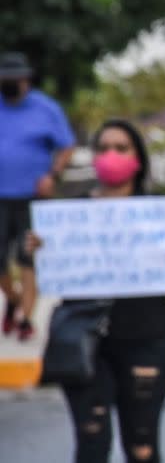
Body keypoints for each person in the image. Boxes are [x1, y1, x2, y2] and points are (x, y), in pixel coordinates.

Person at [26, 119, 165, 463]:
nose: (110, 156)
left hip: (146, 341)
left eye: (121, 148)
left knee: (142, 447)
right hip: (85, 346)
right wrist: (39, 251)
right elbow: (43, 268)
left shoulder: (160, 215)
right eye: (103, 148)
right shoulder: (69, 215)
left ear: (138, 158)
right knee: (91, 445)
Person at [0, 52, 76, 341]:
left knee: (28, 257)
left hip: (32, 198)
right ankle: (15, 299)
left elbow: (66, 146)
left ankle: (26, 319)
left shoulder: (45, 109)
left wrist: (53, 175)